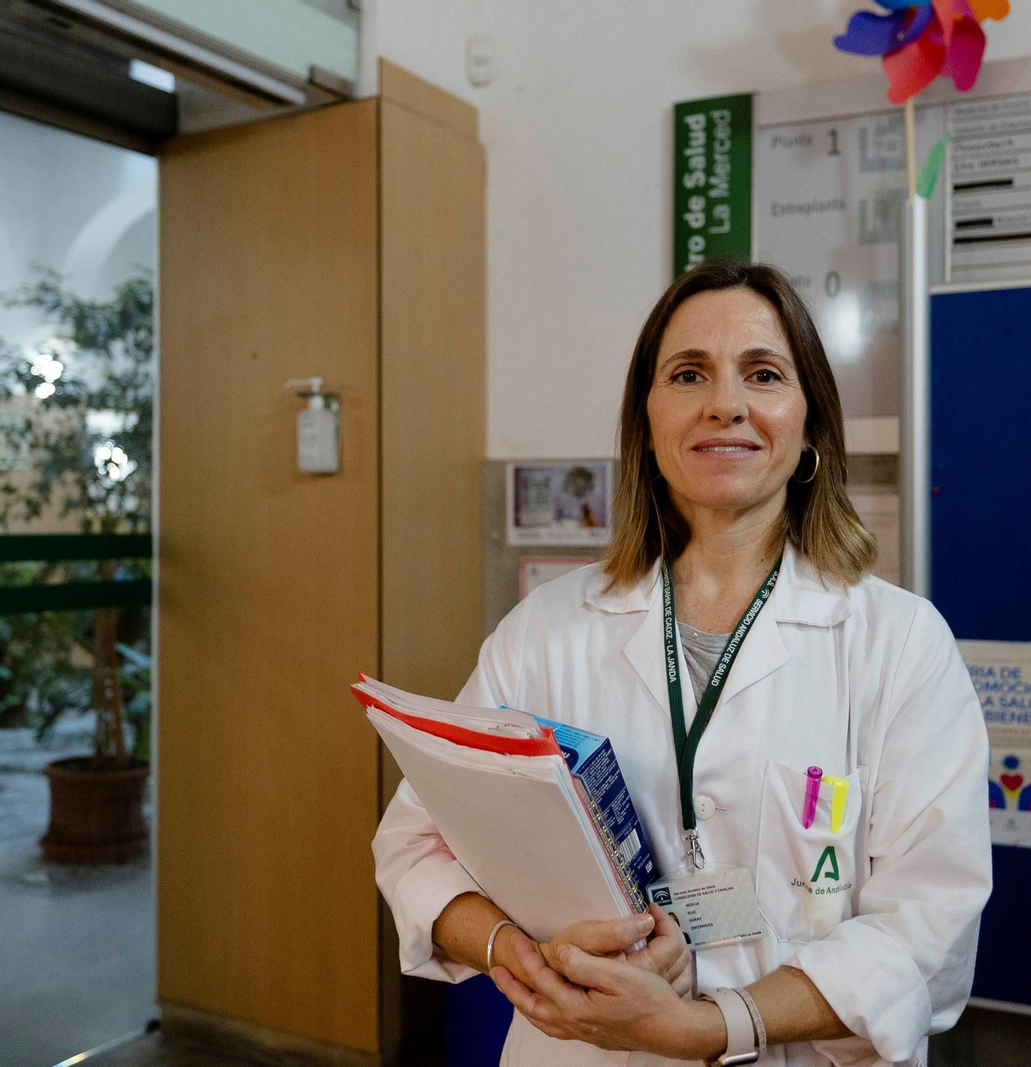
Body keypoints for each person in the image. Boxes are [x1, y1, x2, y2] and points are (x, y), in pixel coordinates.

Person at [373, 260, 991, 1066]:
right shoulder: (545, 633)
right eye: (688, 373)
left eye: (762, 373)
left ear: (809, 423)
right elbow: (415, 841)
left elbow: (927, 932)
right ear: (649, 418)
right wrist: (522, 958)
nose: (724, 403)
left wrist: (707, 1024)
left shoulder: (900, 643)